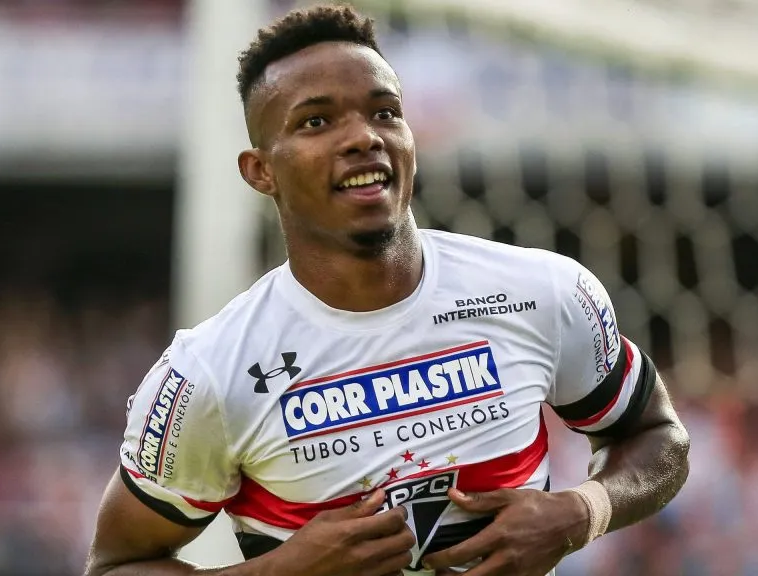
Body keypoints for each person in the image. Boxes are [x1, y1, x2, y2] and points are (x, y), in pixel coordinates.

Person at [84, 5, 690, 576]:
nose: (363, 137)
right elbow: (115, 564)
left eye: (384, 112)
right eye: (317, 121)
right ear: (260, 170)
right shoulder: (210, 373)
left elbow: (659, 437)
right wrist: (284, 569)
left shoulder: (543, 292)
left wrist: (580, 513)